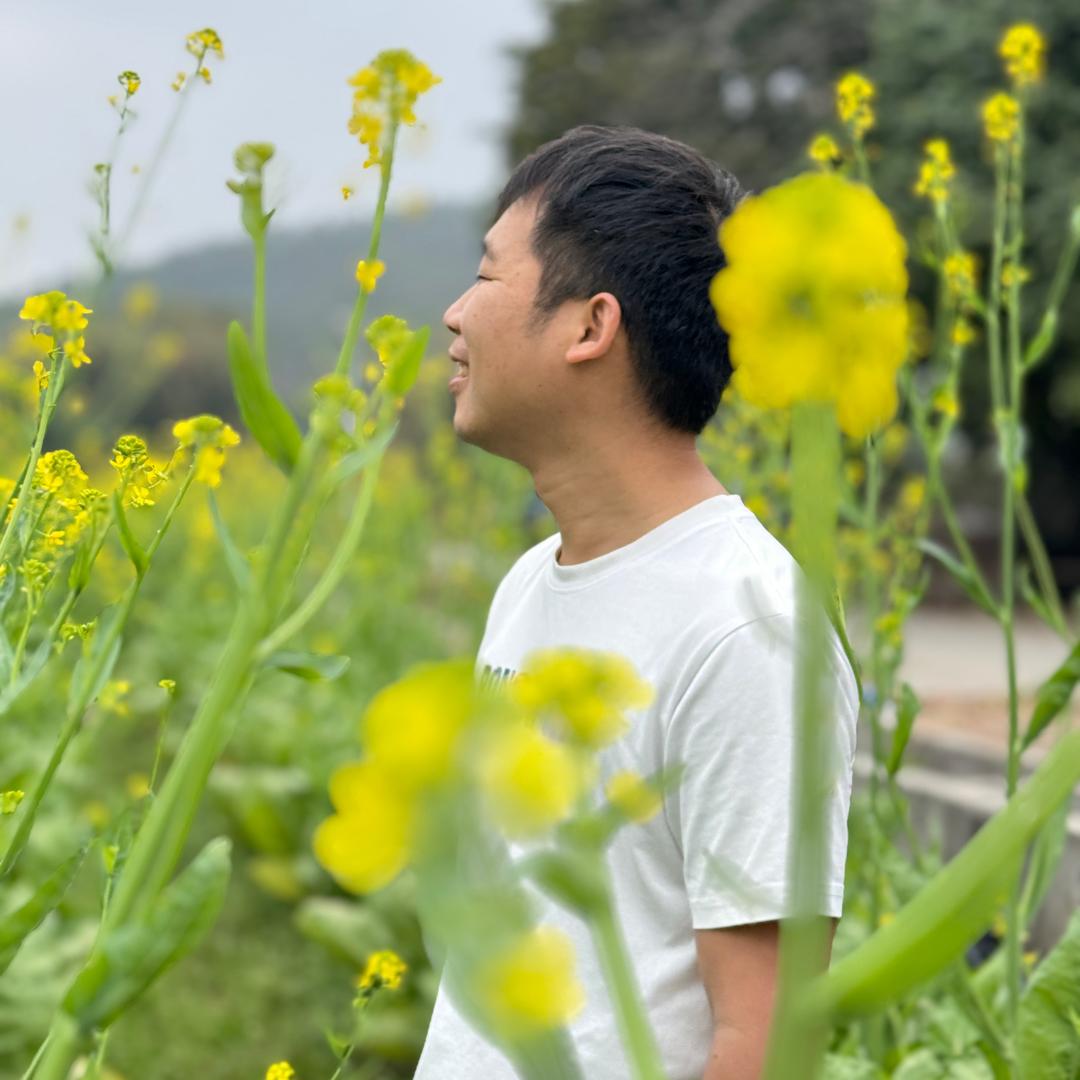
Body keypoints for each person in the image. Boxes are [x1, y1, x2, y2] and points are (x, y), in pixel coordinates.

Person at [414, 123, 860, 1080]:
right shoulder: (532, 580)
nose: (453, 314)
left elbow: (765, 1043)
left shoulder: (747, 627)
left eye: (487, 278)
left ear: (590, 326)